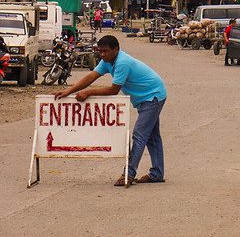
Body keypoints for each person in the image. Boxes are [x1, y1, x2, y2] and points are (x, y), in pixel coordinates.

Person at [54, 35, 167, 186]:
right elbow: (91, 77)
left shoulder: (122, 62)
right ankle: (157, 173)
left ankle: (129, 174)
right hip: (146, 97)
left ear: (116, 49)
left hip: (153, 96)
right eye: (100, 51)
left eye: (105, 51)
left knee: (139, 135)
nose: (102, 54)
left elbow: (114, 89)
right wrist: (69, 91)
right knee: (152, 137)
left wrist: (89, 92)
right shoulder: (108, 61)